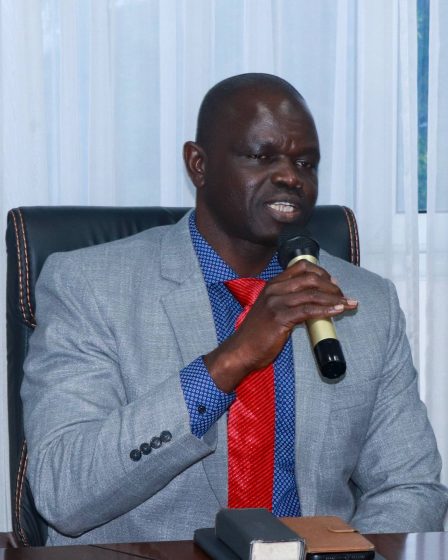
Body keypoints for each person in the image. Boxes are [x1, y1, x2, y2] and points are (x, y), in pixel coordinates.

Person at [22, 73, 447, 546]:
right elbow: (64, 492)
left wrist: (348, 558)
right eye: (262, 156)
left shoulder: (367, 303)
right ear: (198, 165)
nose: (291, 177)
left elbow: (410, 486)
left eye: (305, 163)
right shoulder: (90, 286)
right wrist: (232, 359)